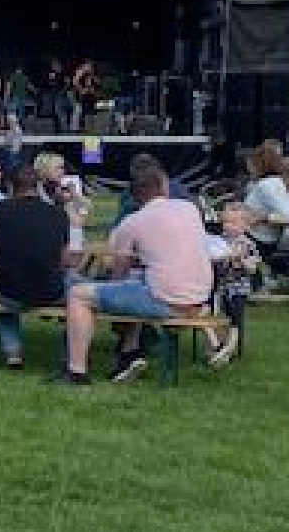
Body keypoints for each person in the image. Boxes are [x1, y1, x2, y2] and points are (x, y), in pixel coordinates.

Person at [61, 164, 212, 386]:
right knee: (135, 285)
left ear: (133, 196)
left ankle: (77, 371)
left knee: (78, 294)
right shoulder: (189, 208)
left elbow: (118, 273)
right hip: (200, 294)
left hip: (167, 299)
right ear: (164, 187)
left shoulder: (131, 223)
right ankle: (128, 354)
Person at [0, 164, 69, 369]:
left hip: (11, 290)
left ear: (11, 186)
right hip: (51, 290)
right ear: (38, 186)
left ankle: (13, 352)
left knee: (4, 306)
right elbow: (64, 259)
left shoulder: (0, 210)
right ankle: (70, 352)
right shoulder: (58, 214)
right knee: (80, 295)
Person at [204, 202, 262, 366]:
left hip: (238, 287)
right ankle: (218, 346)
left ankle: (230, 346)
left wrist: (240, 259)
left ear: (246, 225)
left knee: (235, 316)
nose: (228, 226)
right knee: (218, 315)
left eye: (233, 223)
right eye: (225, 222)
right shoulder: (218, 241)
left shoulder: (247, 244)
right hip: (220, 286)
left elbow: (253, 268)